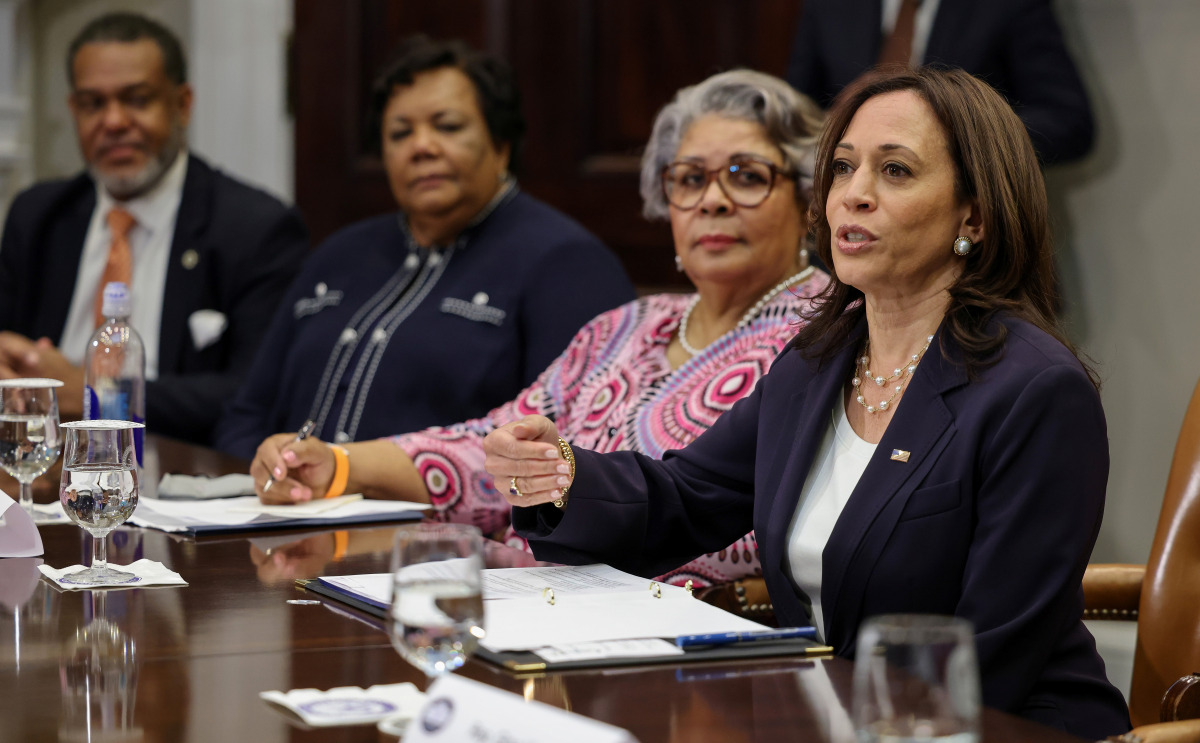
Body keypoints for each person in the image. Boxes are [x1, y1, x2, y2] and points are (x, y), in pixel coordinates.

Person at [483, 67, 1130, 737]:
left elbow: (986, 656)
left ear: (975, 213)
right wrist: (561, 476)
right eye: (844, 168)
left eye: (897, 172)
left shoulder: (1034, 391)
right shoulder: (818, 361)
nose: (854, 195)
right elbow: (684, 498)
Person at [249, 69, 830, 589]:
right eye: (689, 178)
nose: (713, 200)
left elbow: (784, 521)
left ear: (808, 198)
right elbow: (497, 450)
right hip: (535, 610)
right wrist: (340, 465)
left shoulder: (828, 331)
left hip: (680, 641)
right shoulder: (629, 325)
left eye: (746, 176)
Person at [216, 35, 634, 458]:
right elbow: (248, 413)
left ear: (501, 145)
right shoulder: (339, 254)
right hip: (274, 513)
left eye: (448, 126)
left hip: (442, 521)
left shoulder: (567, 264)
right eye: (400, 133)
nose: (421, 147)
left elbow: (567, 447)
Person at [0, 12, 308, 444]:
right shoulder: (39, 215)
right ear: (74, 110)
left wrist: (99, 394)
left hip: (176, 472)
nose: (113, 122)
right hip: (42, 466)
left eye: (137, 99)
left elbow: (258, 389)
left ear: (182, 104)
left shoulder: (255, 228)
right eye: (93, 104)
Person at [786, 0, 1095, 165]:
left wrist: (954, 130)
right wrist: (836, 120)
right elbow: (792, 118)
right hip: (851, 232)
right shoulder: (828, 5)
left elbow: (1069, 122)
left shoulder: (1008, 5)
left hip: (975, 243)